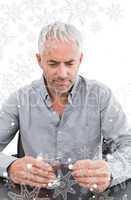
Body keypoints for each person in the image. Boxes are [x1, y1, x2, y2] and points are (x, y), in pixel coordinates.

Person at [0, 22, 131, 198]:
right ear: (39, 60)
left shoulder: (101, 96)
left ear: (80, 60)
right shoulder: (20, 99)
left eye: (70, 63)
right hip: (34, 194)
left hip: (90, 195)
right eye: (53, 64)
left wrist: (111, 171)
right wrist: (9, 166)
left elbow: (128, 146)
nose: (62, 74)